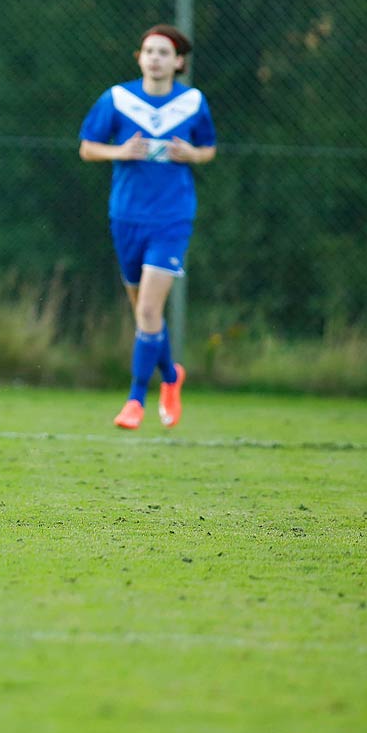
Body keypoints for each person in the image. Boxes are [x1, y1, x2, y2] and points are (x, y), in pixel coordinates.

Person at [78, 24, 217, 430]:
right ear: (139, 58)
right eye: (149, 51)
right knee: (143, 314)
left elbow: (208, 149)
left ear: (178, 62)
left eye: (164, 52)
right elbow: (86, 147)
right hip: (126, 216)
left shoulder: (192, 102)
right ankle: (172, 377)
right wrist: (118, 151)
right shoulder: (118, 99)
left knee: (151, 309)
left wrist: (193, 153)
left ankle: (136, 400)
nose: (155, 58)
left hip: (172, 217)